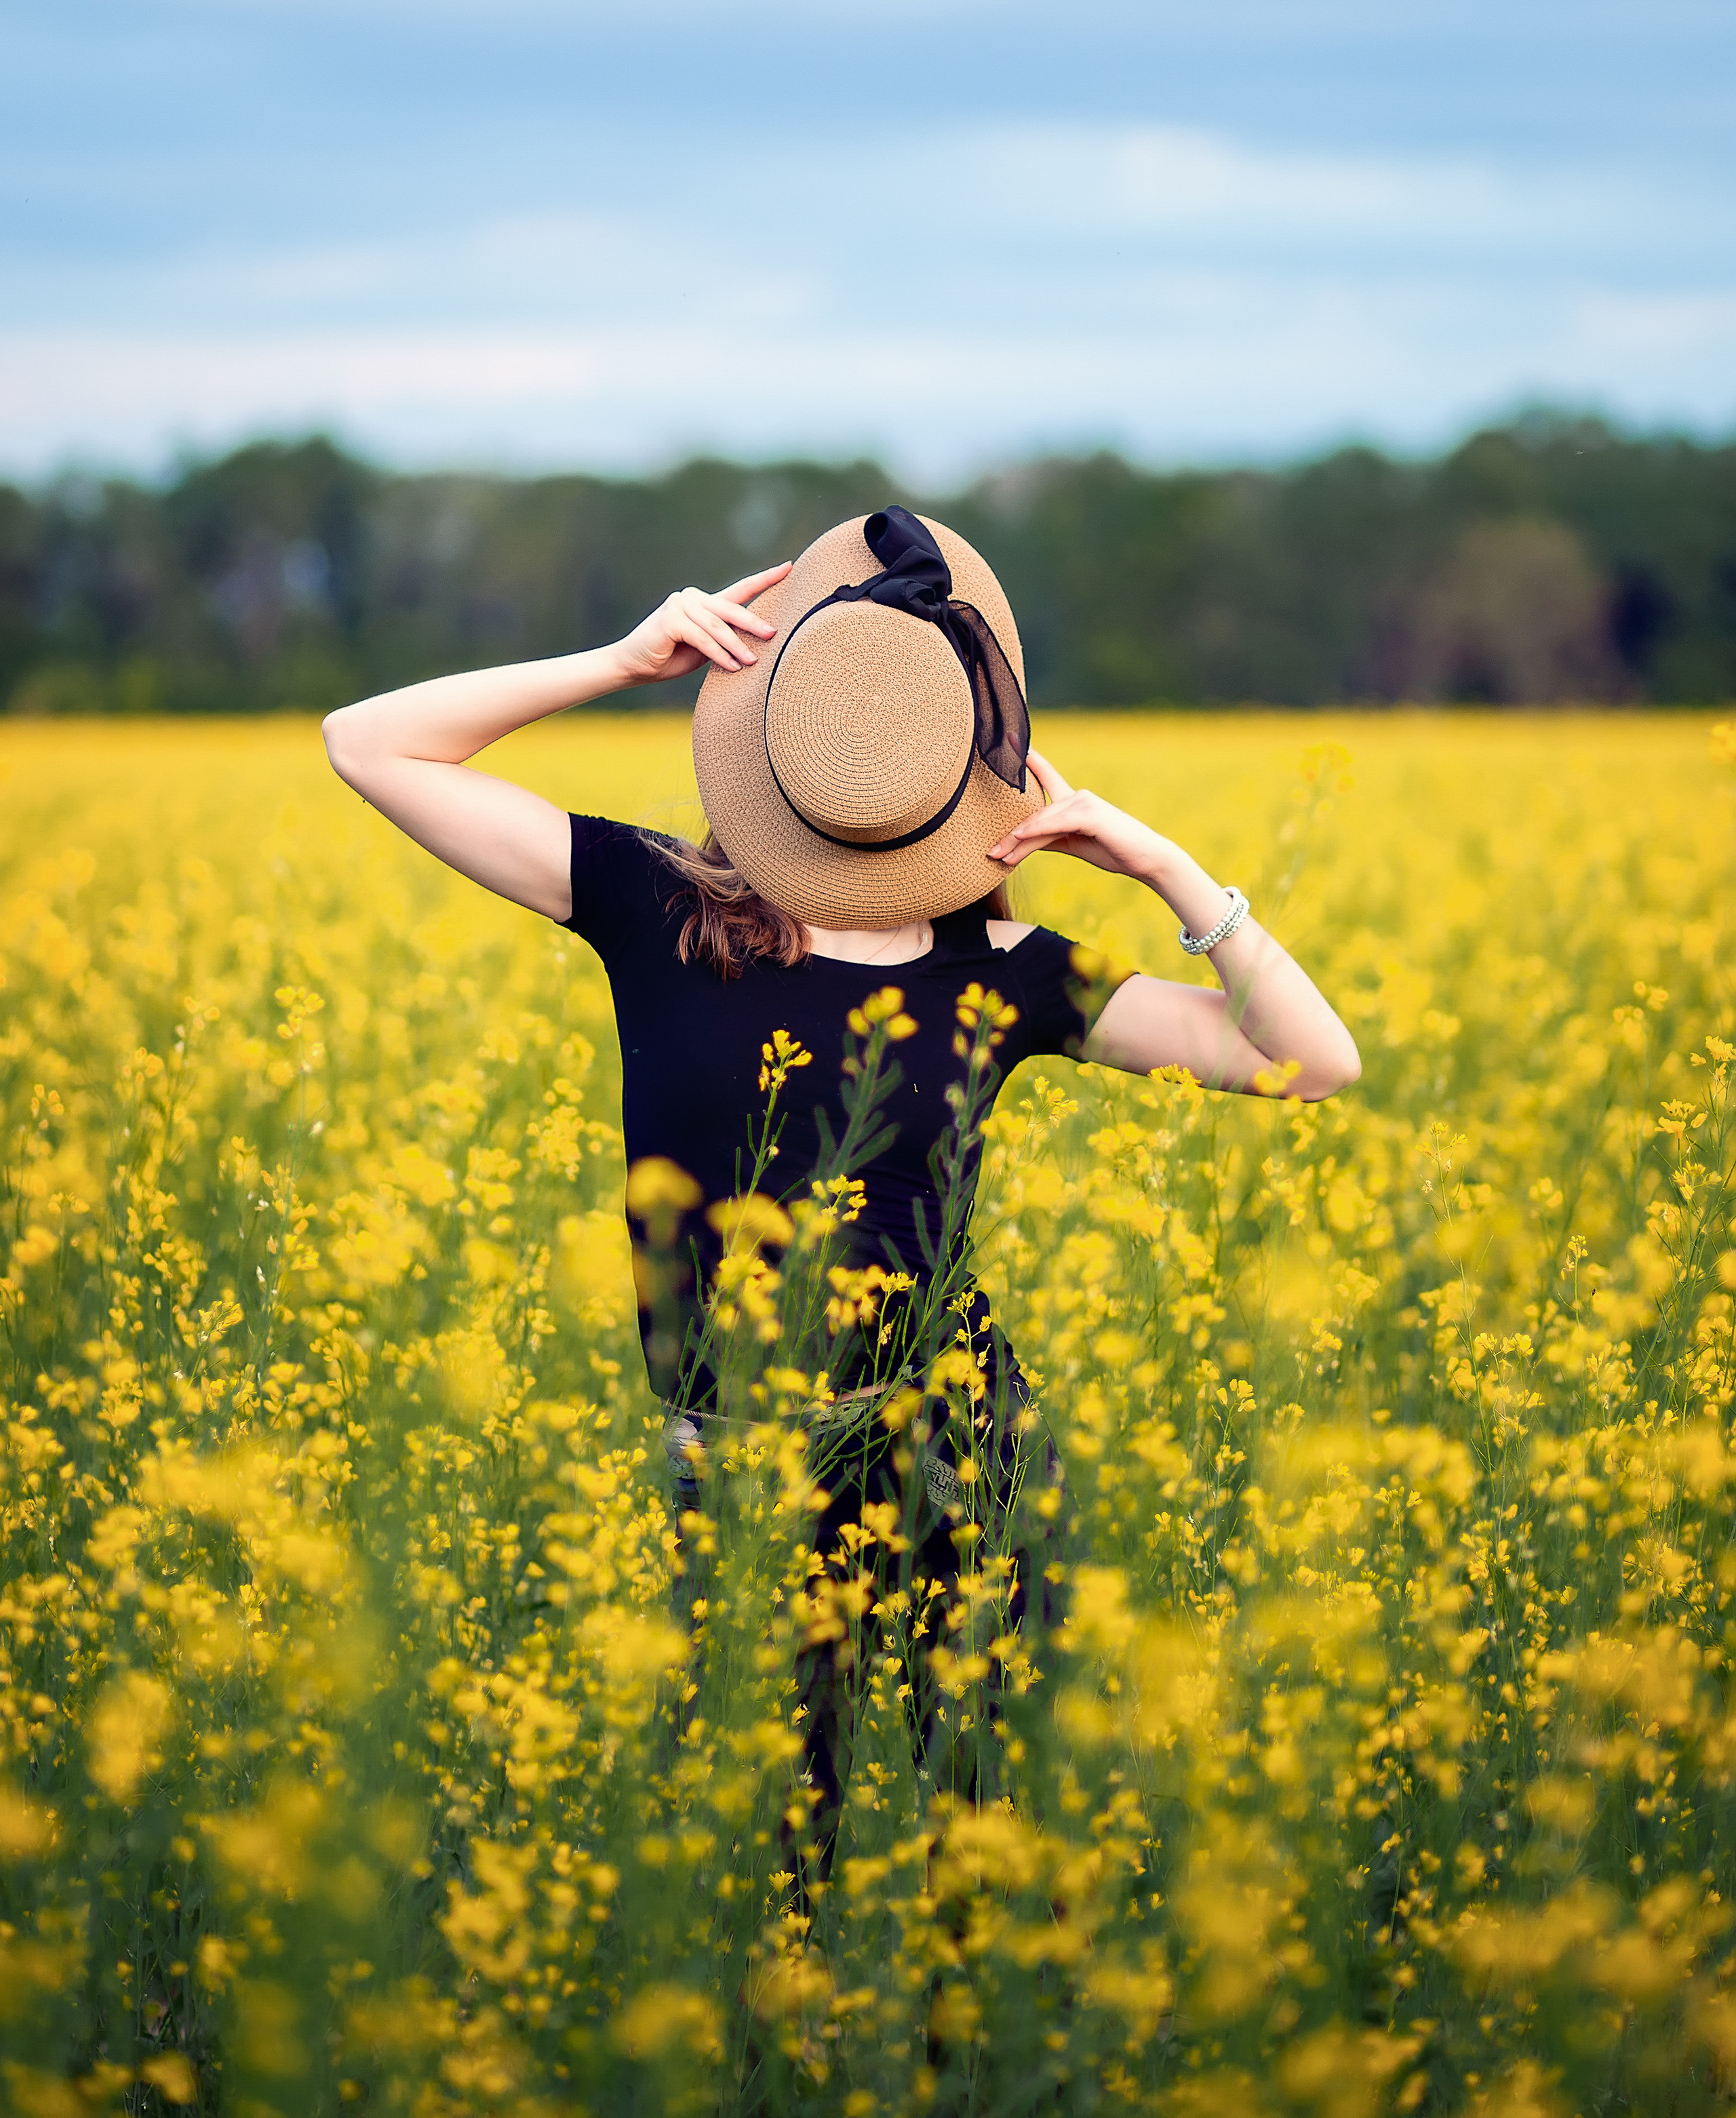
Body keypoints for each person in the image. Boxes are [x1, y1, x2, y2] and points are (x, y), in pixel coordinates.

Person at [321, 504, 1360, 1881]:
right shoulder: (656, 906)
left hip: (953, 1446)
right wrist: (616, 661)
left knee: (973, 1855)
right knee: (770, 1864)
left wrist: (1163, 867)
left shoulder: (1006, 965)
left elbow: (1308, 1063)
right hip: (739, 1466)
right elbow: (364, 742)